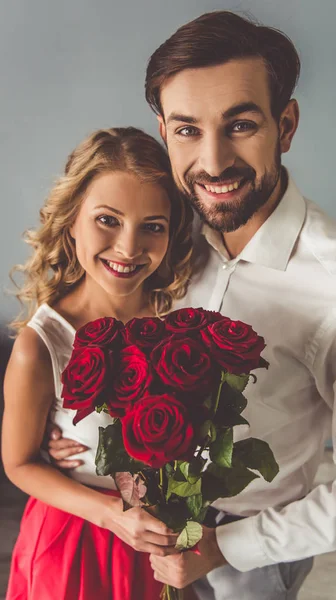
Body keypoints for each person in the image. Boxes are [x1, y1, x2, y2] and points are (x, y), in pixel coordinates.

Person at [48, 11, 336, 600]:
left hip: (253, 555)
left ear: (285, 125)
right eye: (188, 129)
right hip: (134, 526)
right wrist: (69, 432)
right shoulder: (161, 230)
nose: (214, 163)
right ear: (163, 129)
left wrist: (220, 549)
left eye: (240, 125)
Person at [2, 126, 197, 600]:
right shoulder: (41, 343)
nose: (128, 248)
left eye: (152, 226)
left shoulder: (183, 319)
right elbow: (19, 464)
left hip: (164, 544)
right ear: (71, 220)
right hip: (77, 543)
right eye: (107, 220)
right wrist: (111, 513)